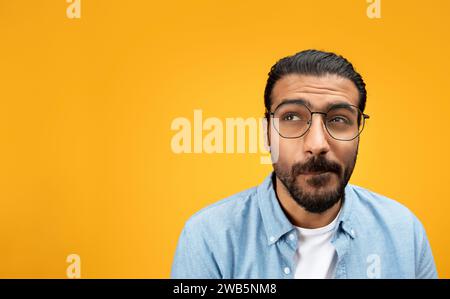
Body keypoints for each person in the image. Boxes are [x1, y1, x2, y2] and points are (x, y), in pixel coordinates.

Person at [170, 49, 438, 279]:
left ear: (358, 131)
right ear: (266, 134)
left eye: (339, 119)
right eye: (292, 117)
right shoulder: (209, 237)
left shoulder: (404, 232)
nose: (318, 143)